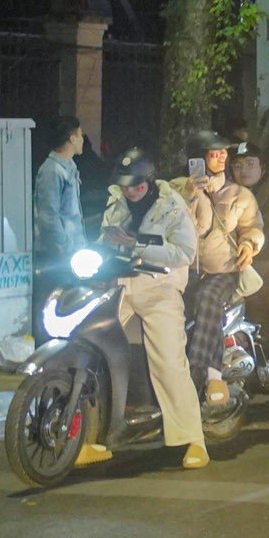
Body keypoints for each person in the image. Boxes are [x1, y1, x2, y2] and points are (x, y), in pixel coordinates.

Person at [100, 148, 208, 469]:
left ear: (148, 181)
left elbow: (185, 252)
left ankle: (193, 438)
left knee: (168, 362)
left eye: (135, 185)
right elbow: (103, 236)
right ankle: (91, 435)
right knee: (96, 350)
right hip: (120, 284)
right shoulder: (116, 200)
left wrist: (137, 244)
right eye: (125, 185)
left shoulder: (171, 206)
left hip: (159, 288)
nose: (130, 191)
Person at [172, 130, 263, 405]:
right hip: (183, 270)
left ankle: (203, 373)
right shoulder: (175, 189)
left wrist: (249, 245)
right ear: (197, 158)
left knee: (207, 298)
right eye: (215, 153)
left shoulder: (239, 194)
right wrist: (189, 195)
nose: (222, 157)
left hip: (223, 270)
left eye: (224, 152)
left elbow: (253, 226)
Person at [33, 116, 86, 332]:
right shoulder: (52, 170)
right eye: (81, 135)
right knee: (51, 306)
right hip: (57, 255)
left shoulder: (69, 166)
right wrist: (64, 247)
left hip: (70, 253)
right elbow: (48, 217)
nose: (83, 139)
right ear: (71, 138)